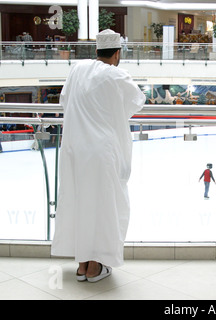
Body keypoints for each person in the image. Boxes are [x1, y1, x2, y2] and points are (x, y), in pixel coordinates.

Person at [51, 29, 146, 283]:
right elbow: (137, 101)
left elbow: (64, 100)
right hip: (101, 152)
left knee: (80, 202)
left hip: (74, 149)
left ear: (96, 51)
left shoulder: (77, 69)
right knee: (105, 207)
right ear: (117, 53)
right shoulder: (117, 75)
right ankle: (96, 267)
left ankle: (82, 265)